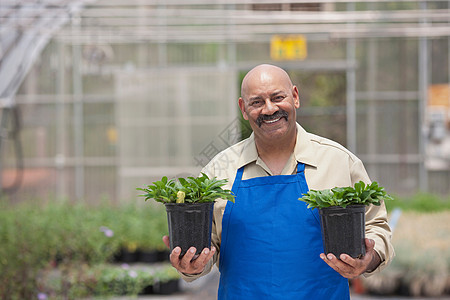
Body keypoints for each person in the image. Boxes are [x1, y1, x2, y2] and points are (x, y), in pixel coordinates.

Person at [163, 64, 394, 299]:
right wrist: (191, 265)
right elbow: (206, 244)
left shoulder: (338, 162)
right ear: (243, 109)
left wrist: (368, 259)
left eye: (277, 97)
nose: (269, 109)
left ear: (295, 97)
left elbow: (375, 226)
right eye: (257, 102)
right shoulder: (219, 169)